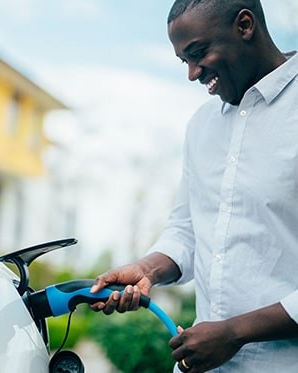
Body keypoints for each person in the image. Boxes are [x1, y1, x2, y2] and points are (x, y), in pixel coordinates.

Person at [90, 0, 298, 372]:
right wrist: (148, 269)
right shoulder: (202, 125)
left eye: (198, 53)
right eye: (183, 60)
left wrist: (235, 332)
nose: (191, 74)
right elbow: (187, 229)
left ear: (245, 26)